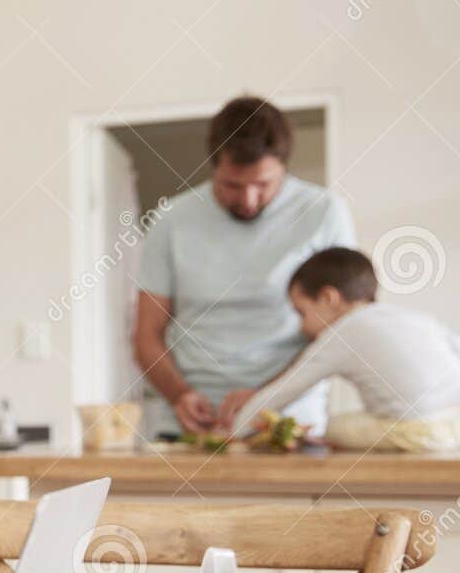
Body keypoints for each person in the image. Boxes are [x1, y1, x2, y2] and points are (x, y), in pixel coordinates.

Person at [132, 96, 355, 438]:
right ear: (213, 166)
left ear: (284, 166)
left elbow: (340, 328)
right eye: (232, 186)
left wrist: (267, 398)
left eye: (263, 185)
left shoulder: (324, 212)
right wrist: (180, 395)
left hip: (288, 422)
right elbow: (146, 335)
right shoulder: (171, 220)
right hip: (190, 425)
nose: (248, 200)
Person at [220, 248, 460, 451]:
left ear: (327, 298)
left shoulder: (342, 333)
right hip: (453, 425)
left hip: (415, 434)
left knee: (331, 426)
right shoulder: (411, 318)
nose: (302, 326)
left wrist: (237, 431)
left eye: (301, 312)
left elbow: (285, 389)